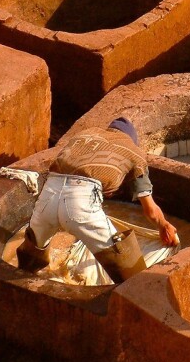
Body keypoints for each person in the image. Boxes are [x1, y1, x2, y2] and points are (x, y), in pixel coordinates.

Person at [17, 117, 179, 282]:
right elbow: (150, 210)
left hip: (48, 194)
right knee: (129, 269)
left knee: (30, 261)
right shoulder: (133, 152)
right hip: (81, 202)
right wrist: (163, 224)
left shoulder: (85, 135)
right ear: (132, 139)